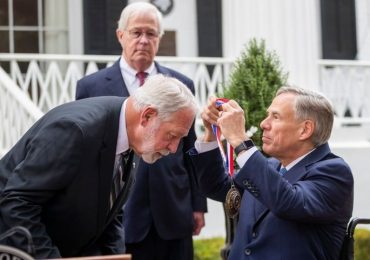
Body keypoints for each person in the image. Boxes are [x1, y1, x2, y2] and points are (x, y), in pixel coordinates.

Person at [0, 74, 197, 259]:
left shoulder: (136, 136)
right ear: (147, 116)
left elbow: (110, 212)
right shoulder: (75, 131)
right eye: (172, 136)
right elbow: (17, 202)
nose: (173, 148)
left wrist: (113, 257)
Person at [76, 2, 206, 259]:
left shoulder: (182, 85)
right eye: (137, 33)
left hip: (174, 211)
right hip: (120, 216)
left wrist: (197, 204)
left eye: (151, 33)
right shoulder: (90, 87)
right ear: (120, 35)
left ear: (159, 38)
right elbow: (86, 157)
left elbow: (190, 148)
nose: (144, 40)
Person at [190, 86, 354, 259]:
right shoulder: (271, 165)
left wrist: (240, 141)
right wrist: (210, 134)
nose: (263, 124)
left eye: (275, 117)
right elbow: (217, 185)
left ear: (305, 130)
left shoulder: (334, 172)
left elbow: (288, 201)